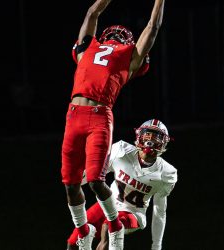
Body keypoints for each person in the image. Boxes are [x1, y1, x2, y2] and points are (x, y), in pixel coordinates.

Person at [61, 0, 166, 249]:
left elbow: (152, 27)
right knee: (70, 184)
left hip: (99, 114)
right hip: (74, 113)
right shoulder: (87, 49)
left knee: (97, 180)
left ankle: (115, 227)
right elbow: (92, 11)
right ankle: (84, 232)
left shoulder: (128, 58)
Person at [66, 119, 177, 250]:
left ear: (164, 143)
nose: (150, 141)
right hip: (108, 204)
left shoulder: (166, 173)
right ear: (139, 136)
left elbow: (160, 211)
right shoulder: (121, 151)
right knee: (73, 241)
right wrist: (75, 181)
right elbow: (95, 175)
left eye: (156, 137)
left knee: (110, 227)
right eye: (148, 135)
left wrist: (156, 246)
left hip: (133, 213)